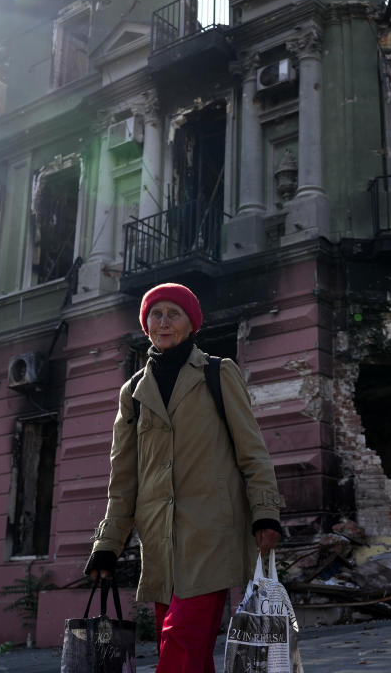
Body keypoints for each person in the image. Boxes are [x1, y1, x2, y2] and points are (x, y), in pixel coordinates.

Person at [85, 282, 284, 673]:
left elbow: (252, 451)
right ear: (146, 326)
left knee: (181, 640)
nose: (163, 322)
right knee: (177, 646)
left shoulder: (218, 373)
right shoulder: (133, 391)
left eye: (173, 314)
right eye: (155, 315)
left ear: (191, 324)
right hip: (159, 539)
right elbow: (122, 476)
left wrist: (265, 512)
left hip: (211, 530)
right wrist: (108, 544)